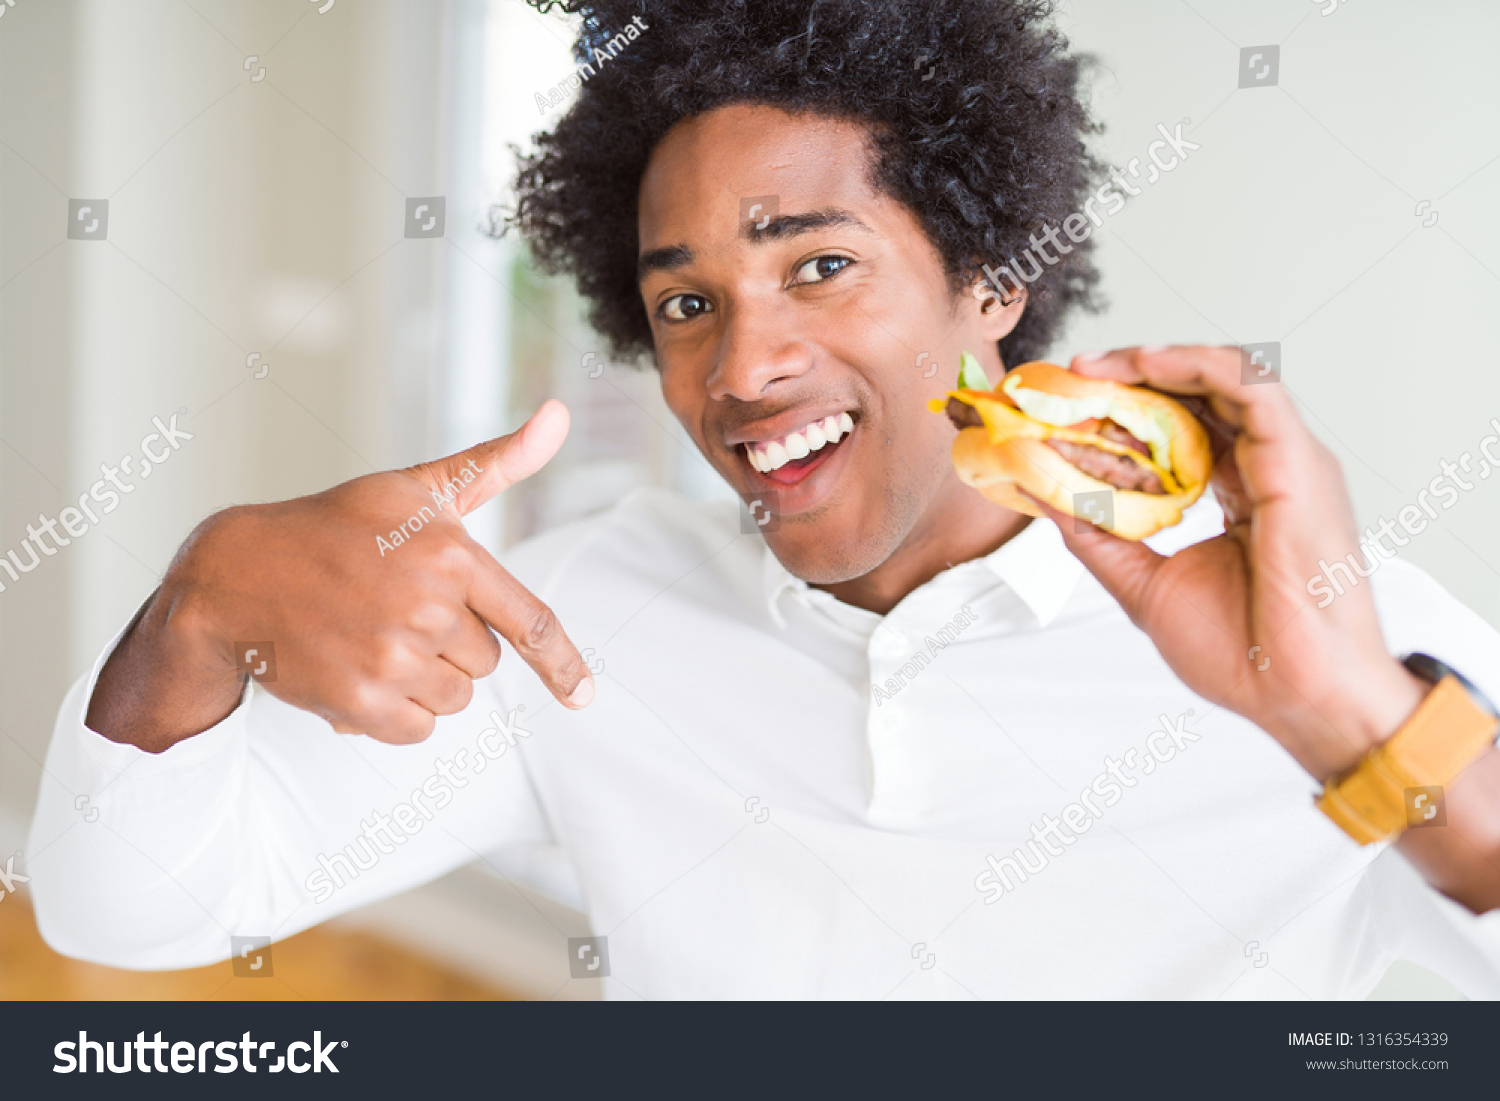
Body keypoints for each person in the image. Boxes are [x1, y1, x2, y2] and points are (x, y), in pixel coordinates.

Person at [28, 0, 1500, 998]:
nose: (744, 366)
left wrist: (1345, 716)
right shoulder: (584, 619)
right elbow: (127, 908)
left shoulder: (1338, 630)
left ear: (992, 282)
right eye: (683, 302)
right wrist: (200, 603)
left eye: (818, 263)